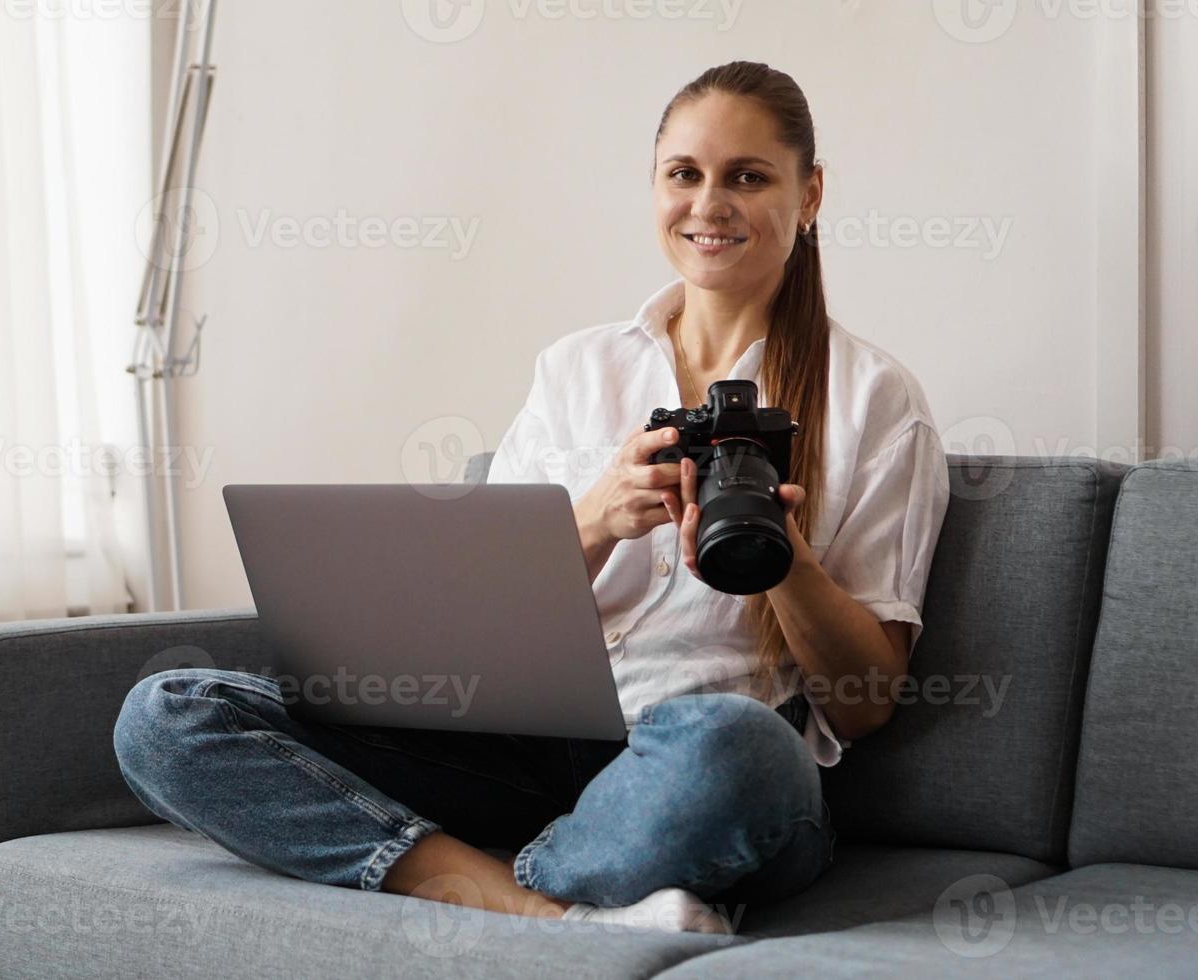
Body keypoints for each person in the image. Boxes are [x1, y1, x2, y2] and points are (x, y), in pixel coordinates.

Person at [114, 60, 951, 934]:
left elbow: (863, 701)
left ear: (810, 194)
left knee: (738, 748)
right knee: (167, 715)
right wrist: (590, 520)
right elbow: (475, 621)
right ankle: (541, 908)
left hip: (695, 766)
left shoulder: (875, 401)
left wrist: (777, 552)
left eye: (749, 176)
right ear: (655, 186)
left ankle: (482, 878)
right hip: (521, 751)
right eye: (685, 174)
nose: (710, 204)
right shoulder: (577, 369)